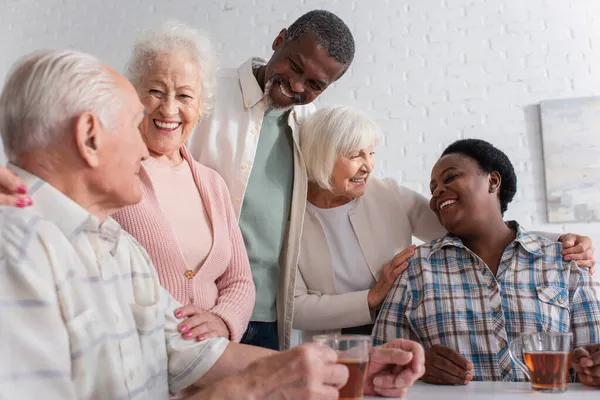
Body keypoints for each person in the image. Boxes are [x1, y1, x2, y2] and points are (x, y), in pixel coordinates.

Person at [0, 49, 425, 399]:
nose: (147, 140)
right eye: (134, 123)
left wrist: (340, 371)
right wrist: (255, 386)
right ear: (90, 136)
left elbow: (185, 351)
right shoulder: (15, 254)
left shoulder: (117, 246)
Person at [293, 106, 597, 341]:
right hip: (334, 344)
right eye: (355, 155)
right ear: (323, 154)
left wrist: (558, 241)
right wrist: (371, 297)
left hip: (404, 330)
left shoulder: (388, 196)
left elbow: (477, 231)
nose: (368, 166)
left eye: (371, 154)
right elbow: (293, 307)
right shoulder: (291, 217)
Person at [187, 9, 355, 350]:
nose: (296, 85)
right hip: (195, 305)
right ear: (279, 41)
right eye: (294, 66)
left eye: (314, 85)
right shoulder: (203, 93)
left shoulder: (312, 126)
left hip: (266, 315)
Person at [372, 138, 600, 386]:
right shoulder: (415, 269)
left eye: (449, 178)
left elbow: (591, 356)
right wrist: (420, 366)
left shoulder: (564, 262)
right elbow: (379, 366)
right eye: (433, 188)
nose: (437, 192)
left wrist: (593, 369)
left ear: (493, 182)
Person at [111, 21, 254, 343]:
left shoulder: (212, 183)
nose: (170, 108)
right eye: (156, 91)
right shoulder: (110, 173)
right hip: (136, 359)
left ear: (201, 106)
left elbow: (240, 280)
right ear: (134, 94)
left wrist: (222, 320)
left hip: (207, 363)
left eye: (185, 95)